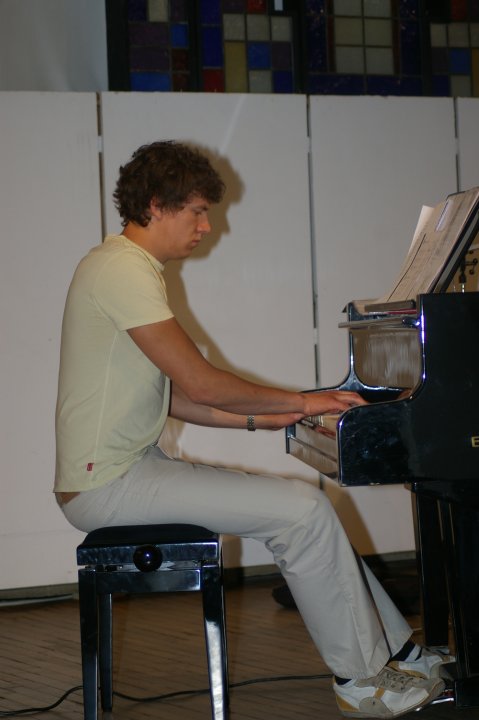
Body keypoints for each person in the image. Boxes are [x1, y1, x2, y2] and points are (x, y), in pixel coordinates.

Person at [55, 141, 451, 718]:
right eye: (196, 211)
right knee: (303, 512)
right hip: (107, 483)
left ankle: (398, 653)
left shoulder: (125, 268)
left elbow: (178, 399)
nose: (206, 225)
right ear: (157, 205)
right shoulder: (121, 270)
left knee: (305, 509)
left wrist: (277, 416)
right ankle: (363, 682)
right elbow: (203, 385)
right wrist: (303, 399)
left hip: (128, 470)